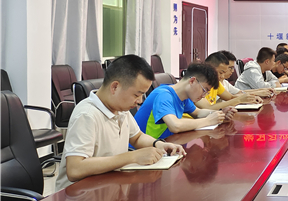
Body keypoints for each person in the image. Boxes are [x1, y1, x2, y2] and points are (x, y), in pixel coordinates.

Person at [55, 55, 186, 192]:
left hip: (108, 187)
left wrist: (159, 144)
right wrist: (132, 156)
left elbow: (137, 137)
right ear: (115, 87)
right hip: (81, 196)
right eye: (136, 95)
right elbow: (75, 169)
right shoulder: (87, 115)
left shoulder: (120, 109)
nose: (140, 101)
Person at [134, 63, 224, 140]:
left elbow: (198, 113)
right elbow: (175, 125)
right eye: (204, 90)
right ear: (192, 81)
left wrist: (220, 114)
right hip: (143, 149)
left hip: (164, 144)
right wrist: (208, 121)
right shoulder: (164, 95)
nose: (204, 96)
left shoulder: (183, 97)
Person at [197, 52, 263, 110]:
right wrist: (239, 100)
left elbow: (230, 97)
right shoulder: (198, 85)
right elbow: (208, 108)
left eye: (224, 73)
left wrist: (251, 98)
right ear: (209, 68)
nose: (222, 76)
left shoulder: (216, 83)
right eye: (220, 73)